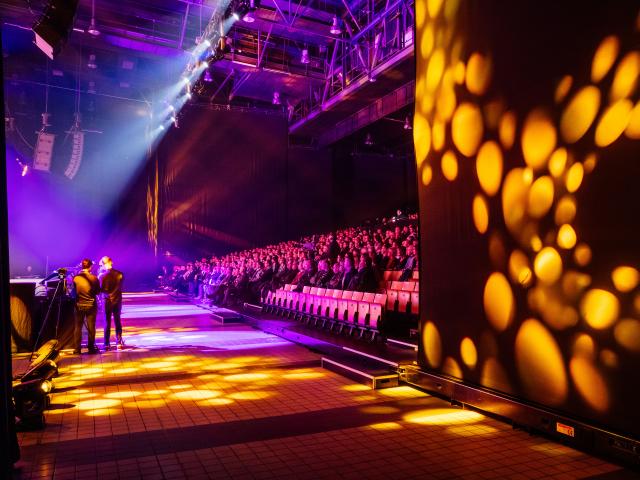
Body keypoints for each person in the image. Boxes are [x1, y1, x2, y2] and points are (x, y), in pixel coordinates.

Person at [72, 258, 100, 354]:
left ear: (82, 266)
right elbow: (97, 292)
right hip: (91, 305)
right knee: (91, 327)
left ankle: (77, 349)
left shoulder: (75, 278)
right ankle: (91, 348)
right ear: (90, 267)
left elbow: (73, 292)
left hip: (79, 305)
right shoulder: (94, 278)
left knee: (78, 327)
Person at [99, 256, 124, 350]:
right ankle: (119, 342)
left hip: (106, 301)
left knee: (107, 322)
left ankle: (106, 344)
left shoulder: (101, 276)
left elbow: (100, 290)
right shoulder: (120, 274)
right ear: (111, 262)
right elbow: (120, 287)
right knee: (118, 321)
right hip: (117, 300)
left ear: (104, 264)